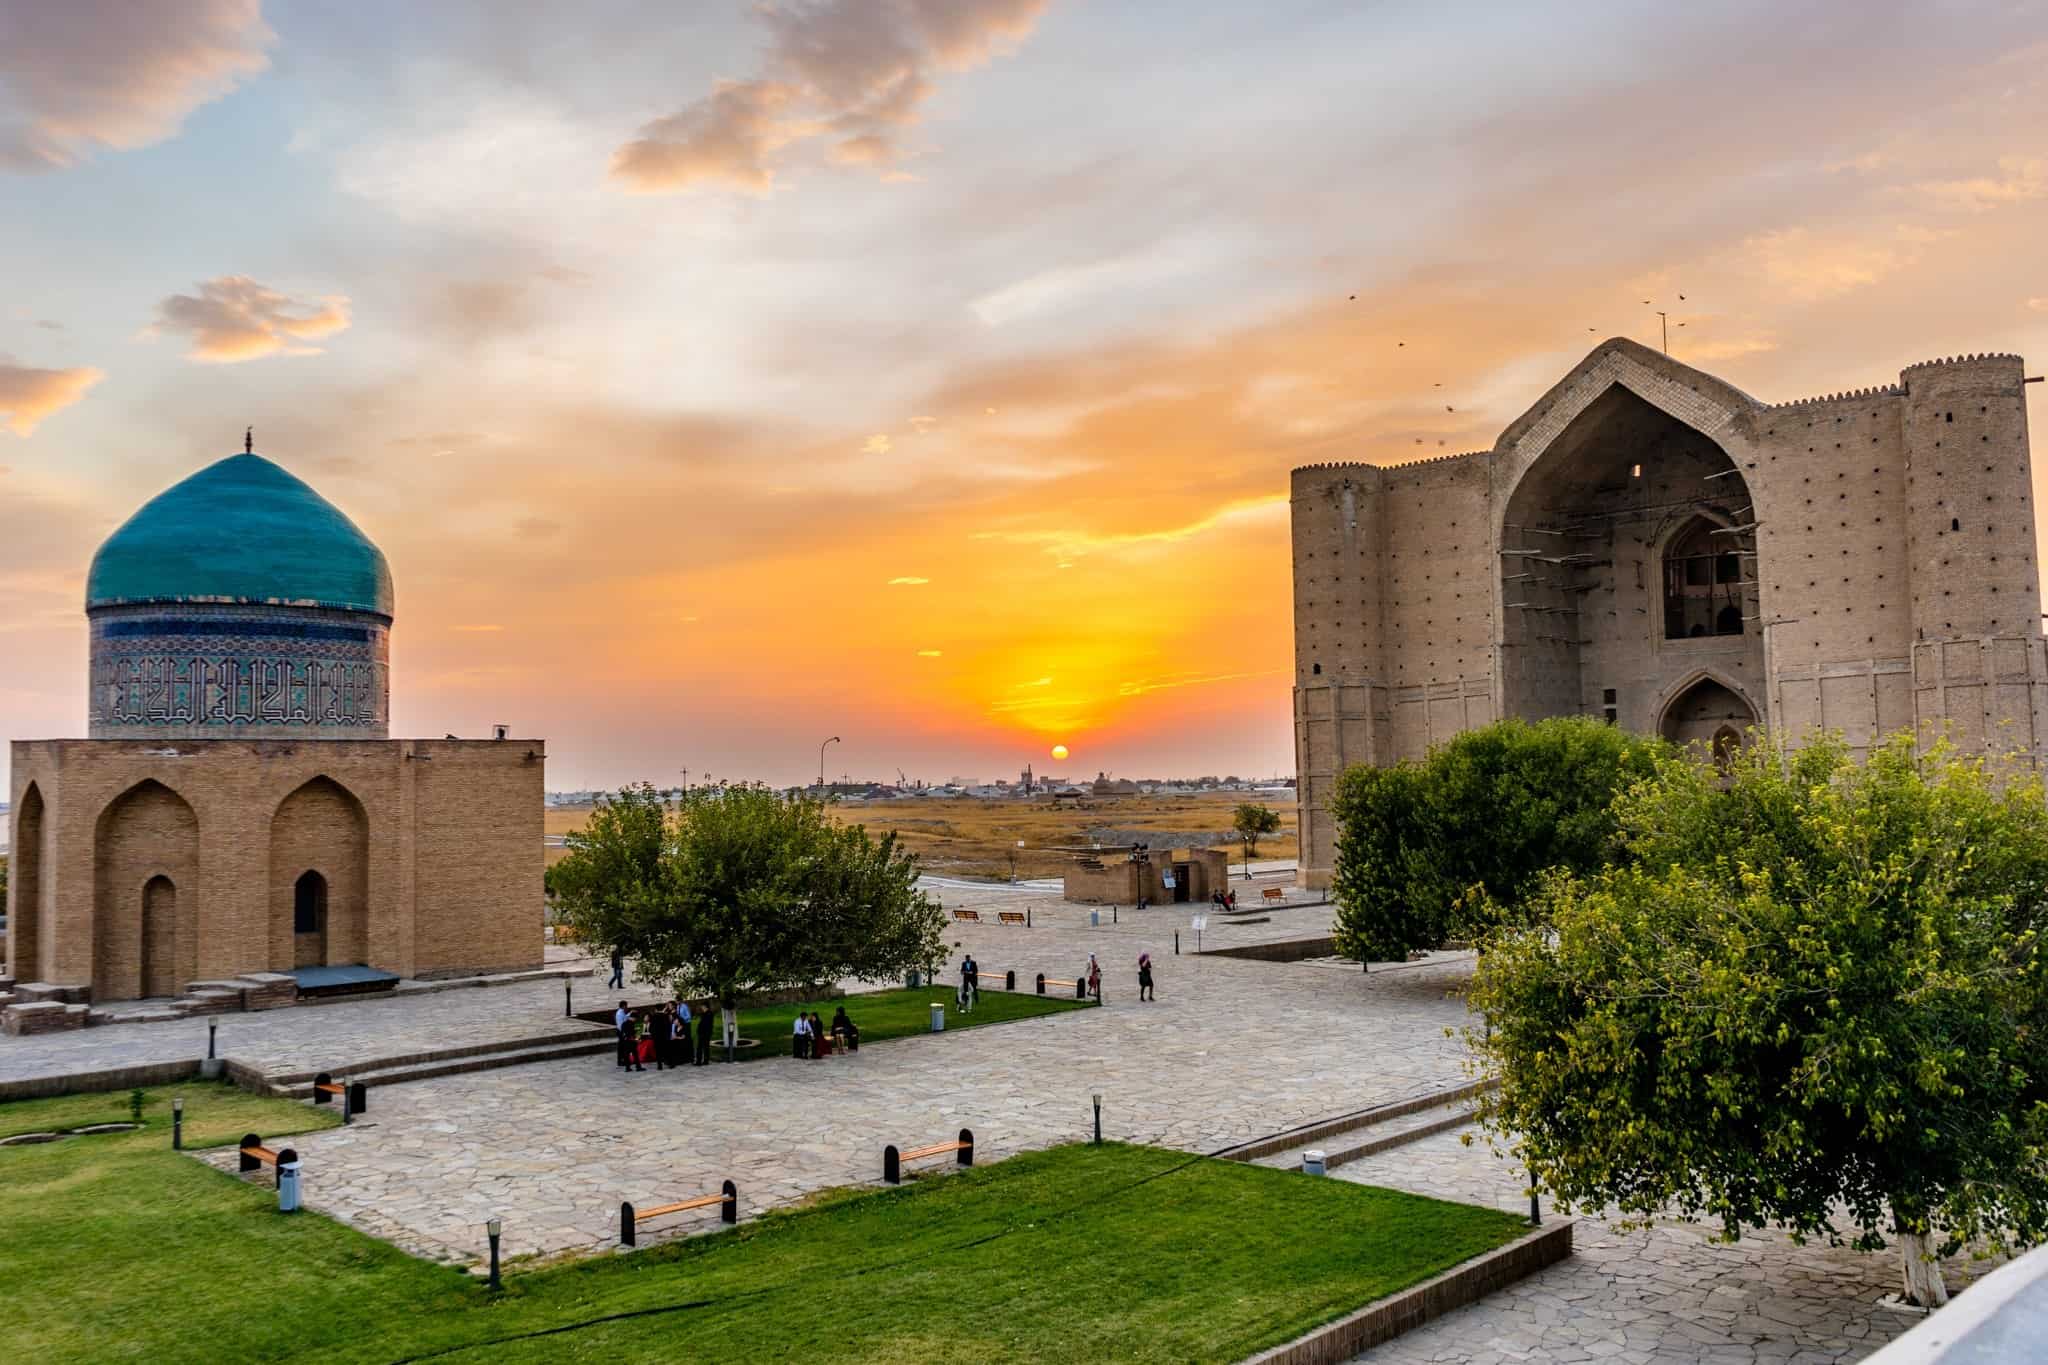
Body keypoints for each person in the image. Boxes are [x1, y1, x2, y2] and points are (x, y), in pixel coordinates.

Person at [647, 1003, 671, 1070]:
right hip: (664, 1036)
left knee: (658, 1051)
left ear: (655, 1009)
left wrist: (653, 1034)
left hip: (656, 1037)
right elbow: (668, 1026)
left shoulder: (653, 1017)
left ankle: (659, 1065)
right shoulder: (665, 1016)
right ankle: (669, 1063)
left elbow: (650, 1028)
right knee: (666, 1050)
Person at [614, 999, 633, 1069]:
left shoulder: (620, 1012)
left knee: (621, 1047)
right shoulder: (620, 1013)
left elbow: (625, 1018)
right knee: (622, 1047)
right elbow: (624, 1021)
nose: (627, 1007)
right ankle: (621, 1061)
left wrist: (629, 1013)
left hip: (620, 1031)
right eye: (626, 1006)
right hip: (621, 1031)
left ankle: (622, 1060)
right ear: (623, 1006)